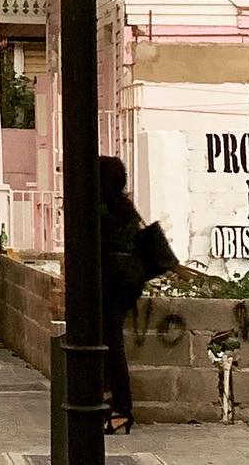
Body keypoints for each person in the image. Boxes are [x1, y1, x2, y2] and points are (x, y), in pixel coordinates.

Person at [100, 156, 144, 435]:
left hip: (110, 278)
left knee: (110, 343)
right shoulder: (125, 208)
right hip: (128, 279)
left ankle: (121, 408)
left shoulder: (101, 209)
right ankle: (115, 404)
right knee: (110, 341)